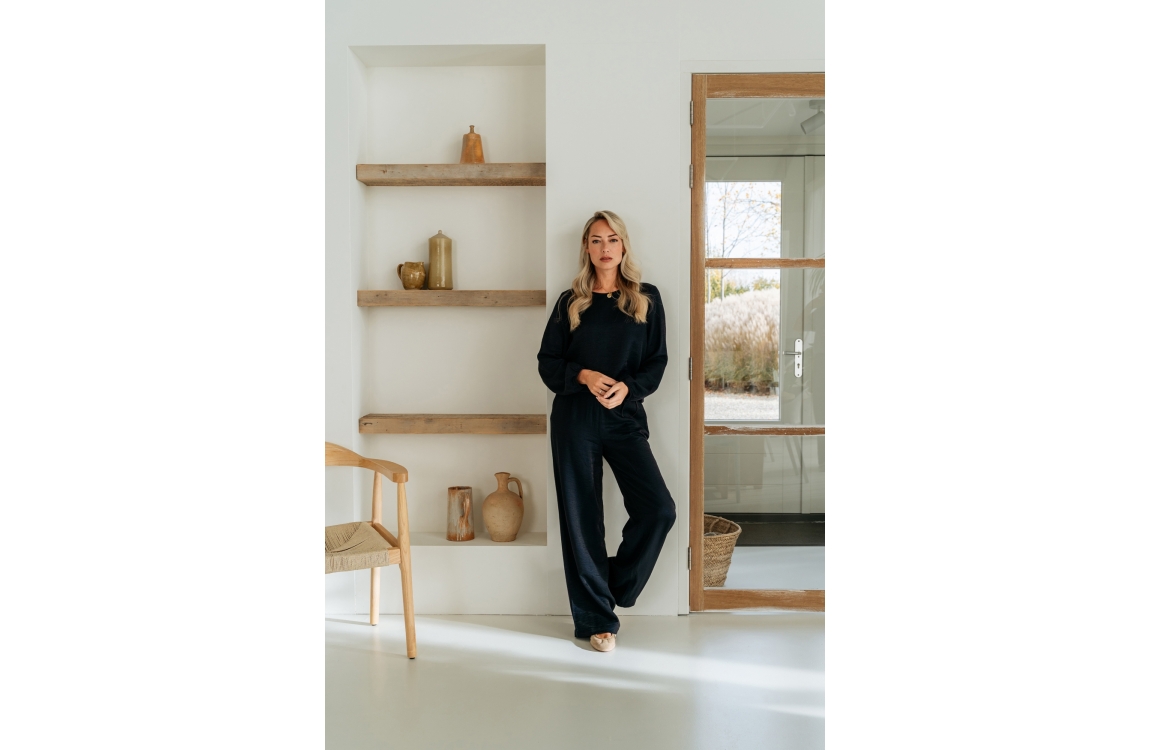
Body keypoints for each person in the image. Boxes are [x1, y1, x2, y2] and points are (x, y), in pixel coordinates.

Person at [536, 210, 676, 653]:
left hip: (623, 417)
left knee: (659, 509)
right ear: (586, 247)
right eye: (596, 240)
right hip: (575, 417)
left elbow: (656, 362)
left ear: (624, 245)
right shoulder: (570, 302)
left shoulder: (645, 299)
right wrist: (583, 375)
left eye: (612, 239)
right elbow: (547, 361)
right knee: (582, 519)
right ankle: (598, 620)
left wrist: (627, 388)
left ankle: (612, 585)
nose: (605, 248)